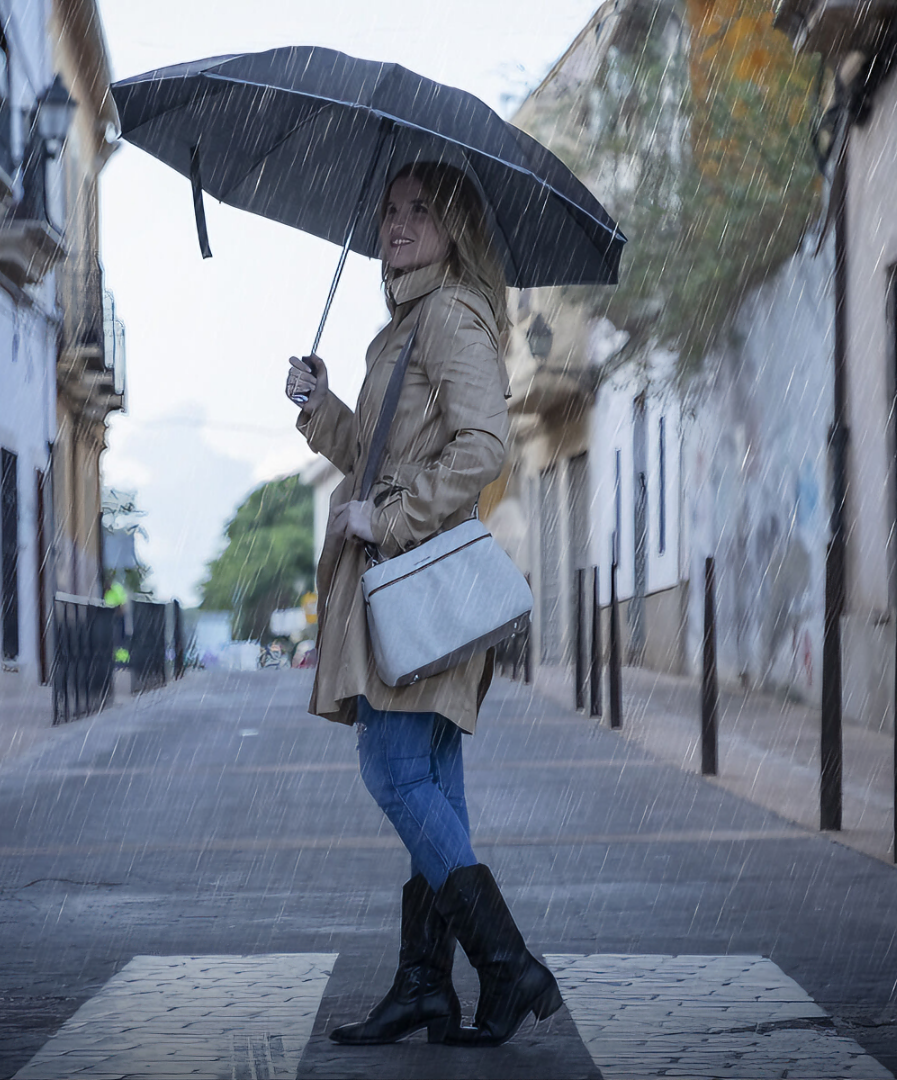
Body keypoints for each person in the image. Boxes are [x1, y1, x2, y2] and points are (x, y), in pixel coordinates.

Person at [285, 161, 562, 1047]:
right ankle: (423, 986)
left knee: (394, 773)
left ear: (453, 228)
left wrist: (392, 517)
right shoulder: (407, 325)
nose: (396, 225)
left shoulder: (448, 317)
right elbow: (377, 453)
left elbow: (484, 447)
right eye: (389, 209)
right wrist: (320, 406)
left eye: (418, 212)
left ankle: (508, 965)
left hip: (421, 586)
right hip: (415, 585)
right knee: (433, 784)